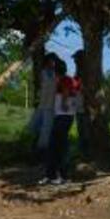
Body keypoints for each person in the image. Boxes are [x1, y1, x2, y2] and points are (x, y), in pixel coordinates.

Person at [43, 57, 79, 185]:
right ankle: (51, 175)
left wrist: (64, 102)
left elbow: (66, 91)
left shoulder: (66, 79)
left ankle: (63, 176)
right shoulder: (62, 79)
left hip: (65, 115)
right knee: (53, 145)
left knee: (61, 146)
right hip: (60, 115)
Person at [29, 52, 58, 161]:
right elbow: (39, 86)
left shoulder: (55, 74)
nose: (53, 63)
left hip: (51, 105)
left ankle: (41, 152)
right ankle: (33, 147)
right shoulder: (42, 73)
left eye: (54, 61)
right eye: (51, 60)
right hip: (42, 104)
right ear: (47, 62)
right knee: (34, 126)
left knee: (46, 129)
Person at [71, 48, 89, 158]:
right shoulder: (78, 71)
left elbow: (80, 87)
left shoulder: (84, 72)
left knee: (84, 128)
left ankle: (85, 151)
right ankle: (83, 150)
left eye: (76, 59)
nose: (74, 61)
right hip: (79, 103)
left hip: (83, 103)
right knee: (82, 127)